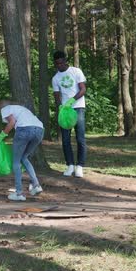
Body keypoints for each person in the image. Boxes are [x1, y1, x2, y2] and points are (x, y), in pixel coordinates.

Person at [0, 101, 44, 201]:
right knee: (24, 157)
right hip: (40, 130)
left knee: (16, 161)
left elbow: (11, 122)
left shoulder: (5, 108)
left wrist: (1, 136)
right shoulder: (21, 109)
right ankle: (36, 185)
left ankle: (19, 193)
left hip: (24, 130)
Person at [51, 50, 87, 178]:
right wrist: (60, 106)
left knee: (80, 138)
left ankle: (80, 166)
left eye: (61, 63)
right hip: (65, 111)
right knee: (65, 139)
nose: (59, 66)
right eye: (57, 64)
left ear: (65, 61)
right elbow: (56, 95)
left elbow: (83, 89)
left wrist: (72, 100)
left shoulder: (76, 71)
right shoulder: (55, 78)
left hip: (78, 108)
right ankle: (70, 165)